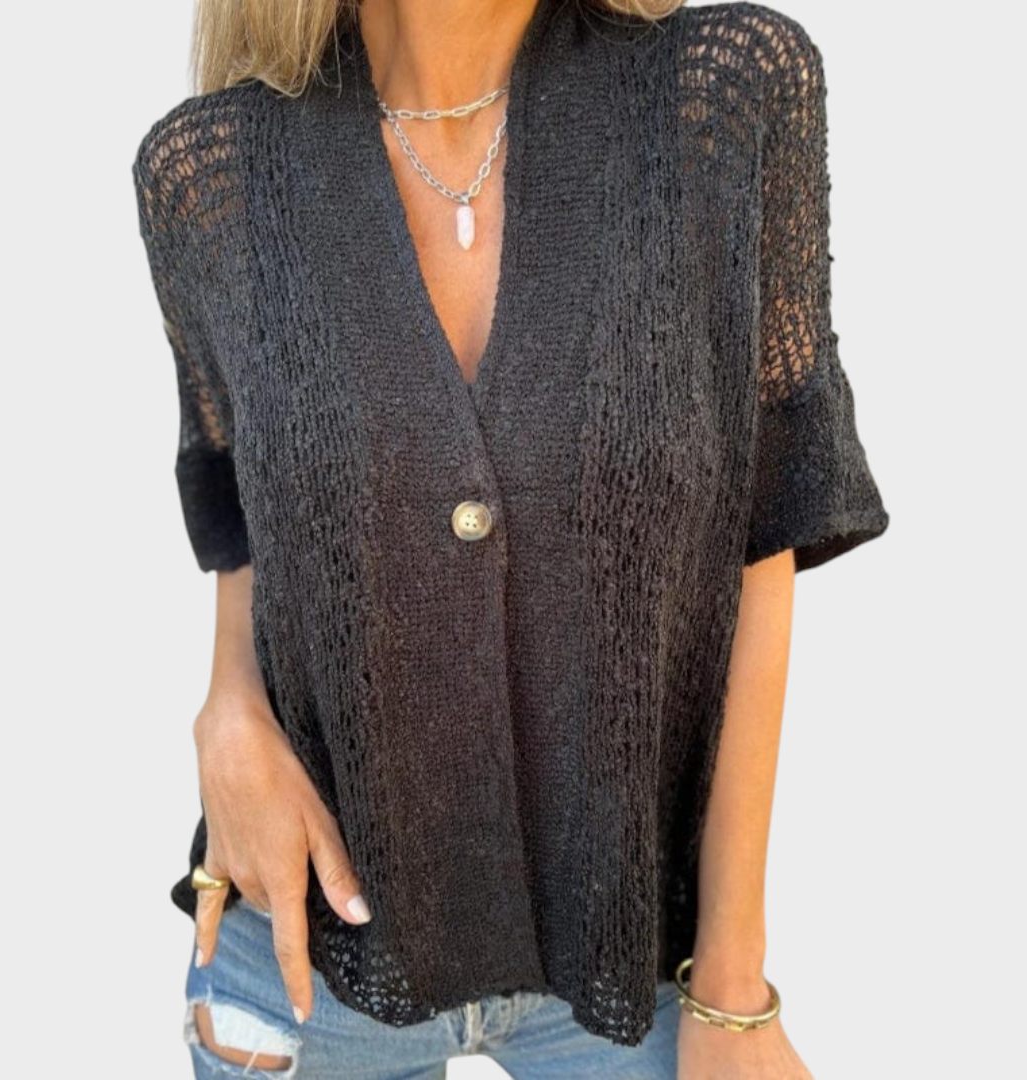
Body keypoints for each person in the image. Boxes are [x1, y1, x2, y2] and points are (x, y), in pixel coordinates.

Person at [131, 0, 890, 1076]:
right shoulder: (212, 171)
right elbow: (252, 531)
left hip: (634, 973)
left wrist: (733, 985)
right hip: (303, 963)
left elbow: (762, 534)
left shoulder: (719, 96)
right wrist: (228, 713)